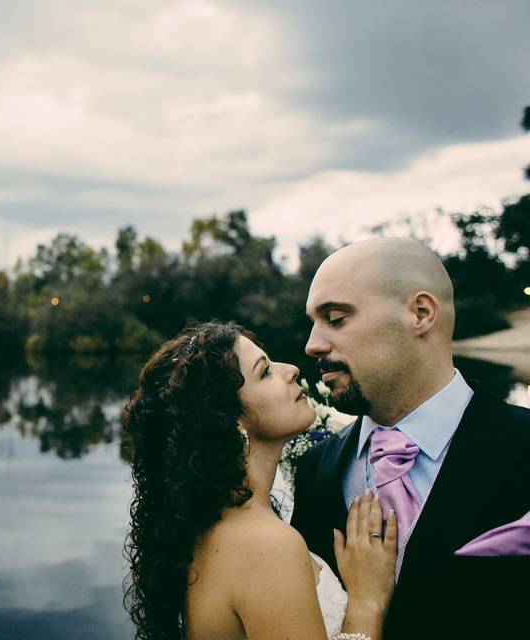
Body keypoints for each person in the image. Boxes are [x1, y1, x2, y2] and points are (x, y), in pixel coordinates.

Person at [292, 237, 530, 638]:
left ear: (420, 313)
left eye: (335, 319)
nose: (313, 344)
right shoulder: (317, 469)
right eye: (313, 323)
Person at [122, 320, 397, 640]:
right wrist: (367, 602)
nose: (292, 369)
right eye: (264, 372)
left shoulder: (216, 526)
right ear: (228, 419)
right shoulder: (265, 545)